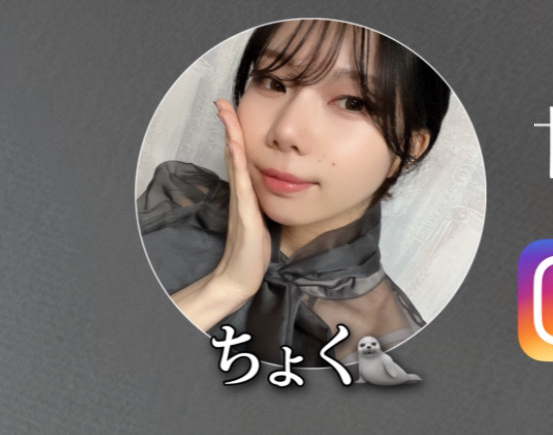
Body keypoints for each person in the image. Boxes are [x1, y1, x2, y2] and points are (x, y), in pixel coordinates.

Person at [139, 19, 449, 386]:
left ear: (409, 148)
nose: (285, 132)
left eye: (353, 103)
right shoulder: (174, 207)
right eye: (274, 82)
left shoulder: (387, 354)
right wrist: (224, 287)